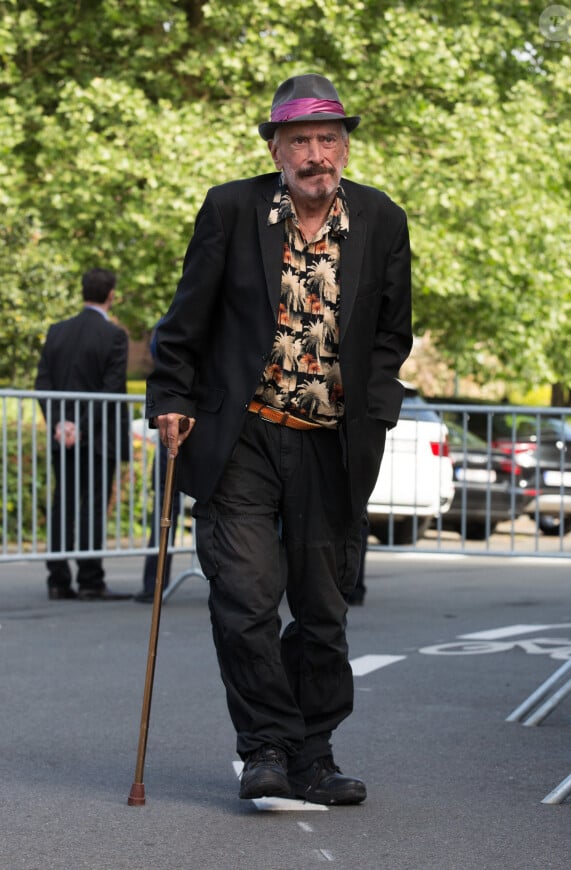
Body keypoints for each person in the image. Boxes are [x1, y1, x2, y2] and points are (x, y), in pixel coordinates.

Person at [146, 73, 412, 805]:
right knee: (245, 596)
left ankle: (313, 754)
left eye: (328, 138)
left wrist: (378, 410)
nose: (315, 153)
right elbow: (185, 320)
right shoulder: (231, 210)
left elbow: (392, 333)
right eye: (300, 140)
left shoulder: (383, 221)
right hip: (243, 438)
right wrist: (170, 397)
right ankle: (265, 744)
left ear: (345, 147)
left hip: (333, 442)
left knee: (323, 612)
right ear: (274, 146)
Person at [35, 268, 132, 601]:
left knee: (63, 503)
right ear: (111, 295)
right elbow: (110, 389)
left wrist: (61, 423)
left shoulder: (56, 331)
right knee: (92, 506)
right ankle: (91, 579)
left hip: (63, 437)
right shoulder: (114, 336)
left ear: (82, 292)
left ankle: (58, 580)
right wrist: (83, 427)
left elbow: (43, 383)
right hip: (97, 439)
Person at [135, 322, 181, 604]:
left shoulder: (166, 325)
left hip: (181, 421)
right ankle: (154, 582)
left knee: (165, 506)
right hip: (182, 422)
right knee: (165, 507)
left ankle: (153, 583)